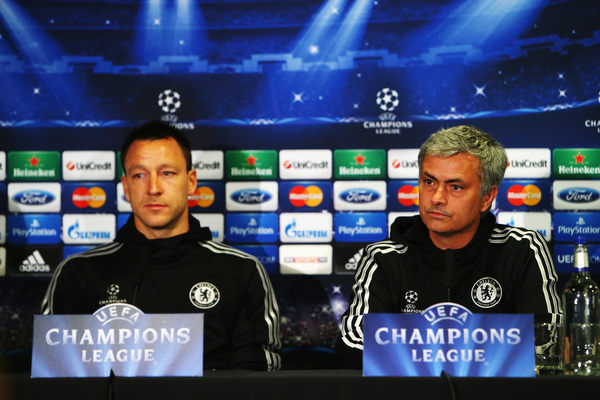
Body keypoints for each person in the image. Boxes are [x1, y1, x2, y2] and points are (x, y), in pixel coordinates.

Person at [42, 121, 281, 371]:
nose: (153, 188)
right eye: (139, 175)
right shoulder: (77, 274)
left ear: (191, 182)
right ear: (126, 187)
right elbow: (56, 375)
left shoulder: (241, 271)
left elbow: (255, 382)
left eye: (167, 173)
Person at [336, 125, 561, 368]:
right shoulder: (383, 258)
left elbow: (546, 342)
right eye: (429, 181)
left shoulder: (523, 250)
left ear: (486, 197)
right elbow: (354, 344)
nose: (437, 198)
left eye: (455, 187)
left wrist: (420, 353)